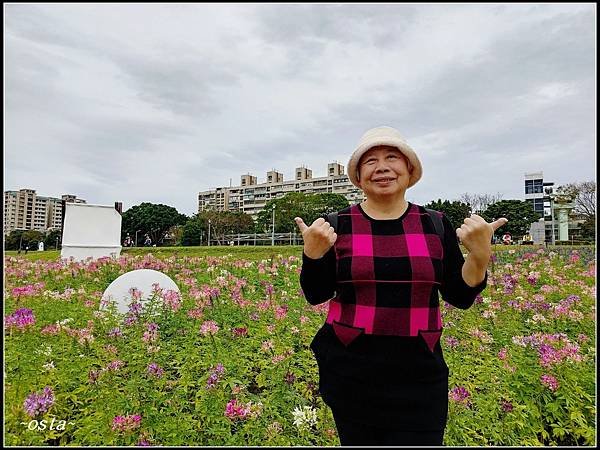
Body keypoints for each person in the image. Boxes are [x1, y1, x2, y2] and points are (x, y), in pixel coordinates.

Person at [294, 126, 507, 446]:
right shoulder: (336, 225)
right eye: (370, 161)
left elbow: (459, 295)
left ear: (409, 170)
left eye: (392, 157)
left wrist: (479, 255)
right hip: (352, 375)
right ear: (358, 176)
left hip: (419, 376)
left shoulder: (434, 223)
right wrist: (312, 253)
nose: (381, 167)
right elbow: (316, 293)